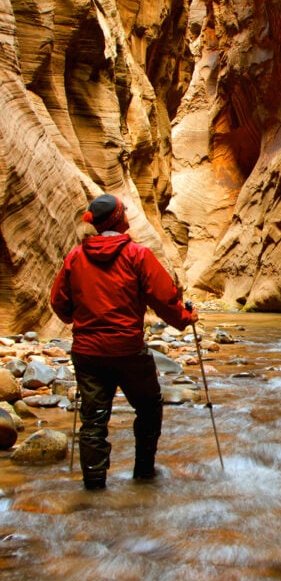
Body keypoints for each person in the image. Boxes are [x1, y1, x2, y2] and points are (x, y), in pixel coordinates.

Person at [50, 194, 198, 490]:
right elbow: (163, 297)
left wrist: (74, 320)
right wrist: (184, 318)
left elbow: (59, 302)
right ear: (119, 219)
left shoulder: (75, 257)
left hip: (88, 353)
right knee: (148, 406)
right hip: (128, 350)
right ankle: (143, 472)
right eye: (125, 212)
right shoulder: (137, 255)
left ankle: (93, 486)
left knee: (93, 419)